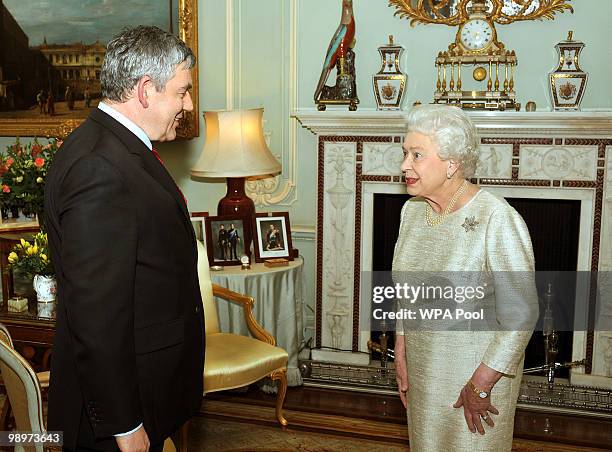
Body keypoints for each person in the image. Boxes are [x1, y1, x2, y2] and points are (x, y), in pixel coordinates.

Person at [44, 25, 204, 452]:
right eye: (183, 92)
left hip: (145, 388)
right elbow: (97, 315)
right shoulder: (99, 167)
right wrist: (124, 425)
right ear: (146, 90)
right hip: (119, 414)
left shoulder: (115, 147)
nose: (188, 105)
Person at [392, 105, 538, 452]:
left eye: (416, 154)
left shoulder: (495, 218)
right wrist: (401, 352)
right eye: (404, 153)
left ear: (451, 164)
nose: (404, 165)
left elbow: (522, 314)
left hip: (476, 378)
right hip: (423, 374)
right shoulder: (411, 212)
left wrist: (481, 384)